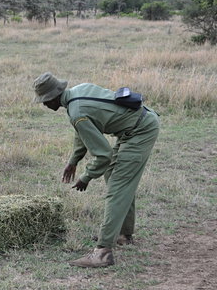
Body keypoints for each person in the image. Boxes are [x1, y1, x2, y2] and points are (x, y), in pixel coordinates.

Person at [32, 72, 160, 268]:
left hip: (140, 131)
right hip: (134, 127)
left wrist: (86, 176)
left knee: (118, 187)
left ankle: (103, 252)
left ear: (53, 97)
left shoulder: (76, 112)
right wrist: (74, 160)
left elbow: (103, 154)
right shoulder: (77, 92)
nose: (44, 105)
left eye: (45, 101)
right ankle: (123, 234)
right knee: (115, 178)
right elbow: (82, 132)